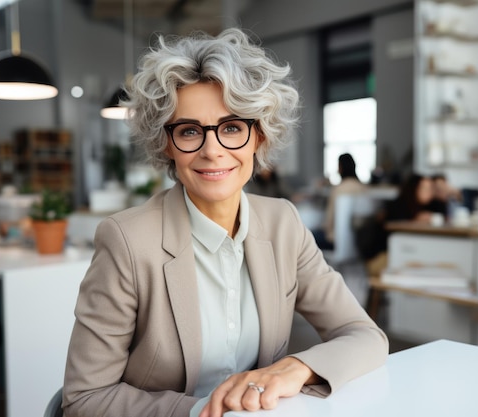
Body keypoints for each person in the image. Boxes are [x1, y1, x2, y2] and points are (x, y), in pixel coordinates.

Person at [62, 28, 388, 417]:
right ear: (167, 145)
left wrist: (297, 368)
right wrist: (205, 409)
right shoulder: (128, 241)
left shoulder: (282, 223)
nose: (212, 151)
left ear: (259, 136)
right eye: (189, 131)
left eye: (232, 127)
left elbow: (365, 336)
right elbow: (84, 399)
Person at [312, 153, 367, 250]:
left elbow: (329, 220)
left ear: (341, 168)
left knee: (306, 236)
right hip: (357, 242)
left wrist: (322, 226)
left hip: (334, 239)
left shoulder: (339, 189)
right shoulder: (362, 187)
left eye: (338, 166)